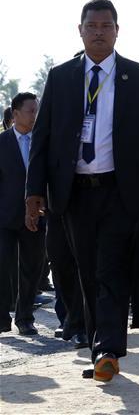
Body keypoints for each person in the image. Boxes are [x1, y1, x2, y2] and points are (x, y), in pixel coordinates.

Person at [25, 0, 139, 382]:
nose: (98, 32)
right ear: (80, 30)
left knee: (111, 266)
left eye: (105, 26)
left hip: (121, 191)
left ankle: (107, 349)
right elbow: (42, 140)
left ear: (117, 31)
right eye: (91, 26)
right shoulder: (61, 78)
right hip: (74, 192)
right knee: (86, 271)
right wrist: (34, 192)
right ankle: (100, 346)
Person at [0, 93, 45, 335]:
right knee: (2, 266)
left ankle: (25, 317)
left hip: (36, 216)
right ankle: (1, 317)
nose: (35, 115)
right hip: (5, 217)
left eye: (37, 110)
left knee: (32, 268)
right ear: (15, 114)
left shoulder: (43, 141)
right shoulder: (2, 142)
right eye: (30, 111)